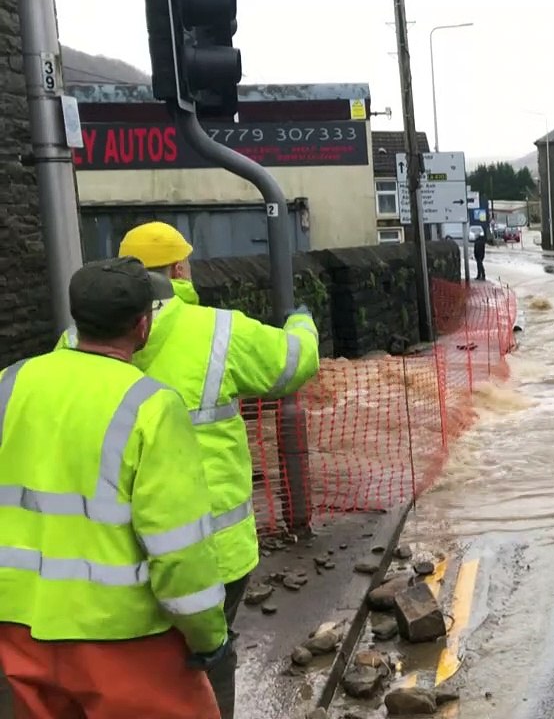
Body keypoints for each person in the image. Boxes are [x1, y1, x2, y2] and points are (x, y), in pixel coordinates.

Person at [56, 221, 320, 718]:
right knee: (207, 662)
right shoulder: (220, 330)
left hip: (103, 548)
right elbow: (293, 365)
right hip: (213, 548)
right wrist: (301, 322)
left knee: (125, 663)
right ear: (179, 269)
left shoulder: (75, 340)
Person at [0, 257, 229, 718]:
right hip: (124, 638)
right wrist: (207, 636)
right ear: (143, 326)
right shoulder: (152, 405)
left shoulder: (11, 381)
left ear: (76, 317)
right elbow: (178, 550)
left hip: (18, 627)